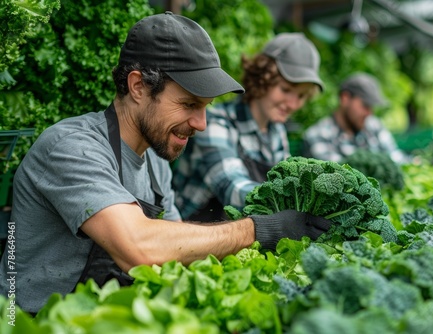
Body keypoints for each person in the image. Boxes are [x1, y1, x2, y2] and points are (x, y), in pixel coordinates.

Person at [0, 12, 334, 315]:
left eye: (205, 107)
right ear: (138, 87)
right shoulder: (72, 147)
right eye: (189, 104)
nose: (202, 123)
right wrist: (259, 229)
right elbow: (138, 247)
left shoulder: (157, 163)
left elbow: (175, 259)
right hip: (32, 322)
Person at [173, 32, 324, 221]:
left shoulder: (276, 132)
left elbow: (282, 183)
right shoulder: (215, 122)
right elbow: (232, 187)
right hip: (193, 232)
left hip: (245, 233)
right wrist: (295, 202)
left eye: (301, 96)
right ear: (262, 77)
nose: (293, 104)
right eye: (285, 90)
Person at [302, 72, 407, 164]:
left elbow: (396, 157)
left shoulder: (373, 125)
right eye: (365, 105)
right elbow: (339, 176)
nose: (369, 113)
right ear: (345, 98)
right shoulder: (319, 135)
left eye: (371, 107)